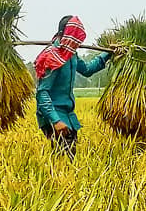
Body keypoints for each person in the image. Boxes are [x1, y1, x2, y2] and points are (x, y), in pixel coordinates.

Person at [34, 15, 115, 159]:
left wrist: (108, 54)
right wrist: (56, 121)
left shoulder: (70, 55)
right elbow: (42, 93)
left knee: (68, 156)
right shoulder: (51, 57)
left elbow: (87, 70)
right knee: (65, 156)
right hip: (54, 114)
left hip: (67, 114)